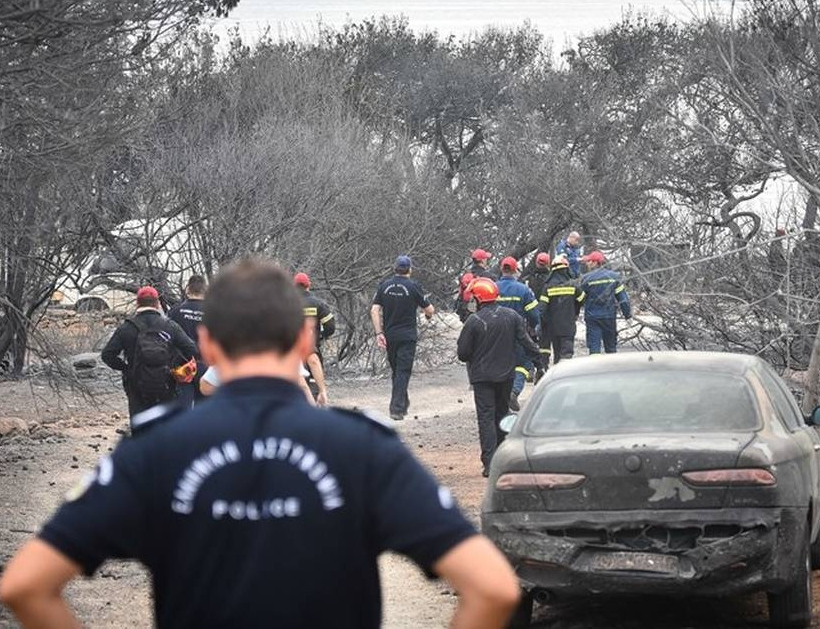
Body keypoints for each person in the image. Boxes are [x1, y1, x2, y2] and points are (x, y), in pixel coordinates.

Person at [0, 260, 520, 629]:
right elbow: (493, 588)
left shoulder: (153, 451)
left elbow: (26, 586)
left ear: (206, 345)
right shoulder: (363, 449)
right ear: (301, 341)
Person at [457, 278, 540, 477]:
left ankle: (489, 463)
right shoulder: (512, 316)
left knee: (485, 418)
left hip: (482, 378)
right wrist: (539, 361)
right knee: (502, 415)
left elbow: (463, 354)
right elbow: (526, 342)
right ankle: (504, 460)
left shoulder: (474, 321)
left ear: (478, 299)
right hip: (506, 376)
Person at [101, 286, 198, 420]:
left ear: (137, 303)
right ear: (157, 303)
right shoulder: (170, 326)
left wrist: (127, 368)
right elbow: (192, 350)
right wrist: (176, 366)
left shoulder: (127, 327)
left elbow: (107, 355)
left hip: (136, 386)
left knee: (140, 429)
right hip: (166, 384)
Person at [371, 255, 435, 421]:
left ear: (395, 268)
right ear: (410, 269)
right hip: (407, 335)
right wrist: (427, 314)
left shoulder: (384, 285)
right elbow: (429, 309)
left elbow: (374, 310)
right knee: (403, 371)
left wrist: (379, 333)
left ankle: (402, 402)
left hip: (390, 335)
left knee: (397, 370)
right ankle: (396, 409)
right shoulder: (413, 286)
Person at [496, 256, 540, 412]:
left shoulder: (493, 288)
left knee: (501, 366)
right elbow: (534, 315)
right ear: (515, 270)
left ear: (502, 269)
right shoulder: (523, 290)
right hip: (518, 333)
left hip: (496, 335)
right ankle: (514, 392)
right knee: (523, 364)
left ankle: (501, 398)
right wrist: (533, 329)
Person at [294, 272, 335, 405]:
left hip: (291, 348)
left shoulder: (286, 303)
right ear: (308, 285)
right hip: (312, 346)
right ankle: (319, 398)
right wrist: (322, 336)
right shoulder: (318, 304)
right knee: (314, 372)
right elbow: (330, 326)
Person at [580, 250, 632, 354]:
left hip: (592, 317)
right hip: (609, 317)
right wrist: (628, 315)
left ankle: (595, 369)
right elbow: (623, 299)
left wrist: (575, 312)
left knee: (594, 349)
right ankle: (612, 369)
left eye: (589, 261)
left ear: (595, 262)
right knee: (611, 348)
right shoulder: (614, 277)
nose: (588, 263)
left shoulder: (586, 279)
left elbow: (580, 299)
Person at [168, 275, 208, 408]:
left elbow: (168, 339)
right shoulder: (214, 313)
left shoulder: (175, 312)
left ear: (188, 290)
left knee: (181, 409)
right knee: (204, 410)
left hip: (182, 366)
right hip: (205, 366)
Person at [539, 255, 586, 365]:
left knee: (557, 353)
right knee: (567, 354)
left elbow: (542, 308)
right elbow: (583, 299)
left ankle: (557, 377)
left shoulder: (548, 287)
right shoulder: (573, 286)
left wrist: (542, 323)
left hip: (553, 327)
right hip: (568, 325)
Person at [525, 252, 552, 380]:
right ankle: (543, 368)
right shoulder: (551, 279)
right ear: (548, 263)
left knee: (530, 342)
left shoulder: (529, 278)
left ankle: (529, 368)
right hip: (547, 315)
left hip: (531, 314)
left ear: (536, 262)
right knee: (545, 344)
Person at [455, 249, 492, 322]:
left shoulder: (465, 276)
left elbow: (460, 296)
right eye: (486, 259)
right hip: (484, 316)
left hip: (467, 316)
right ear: (483, 260)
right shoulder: (489, 277)